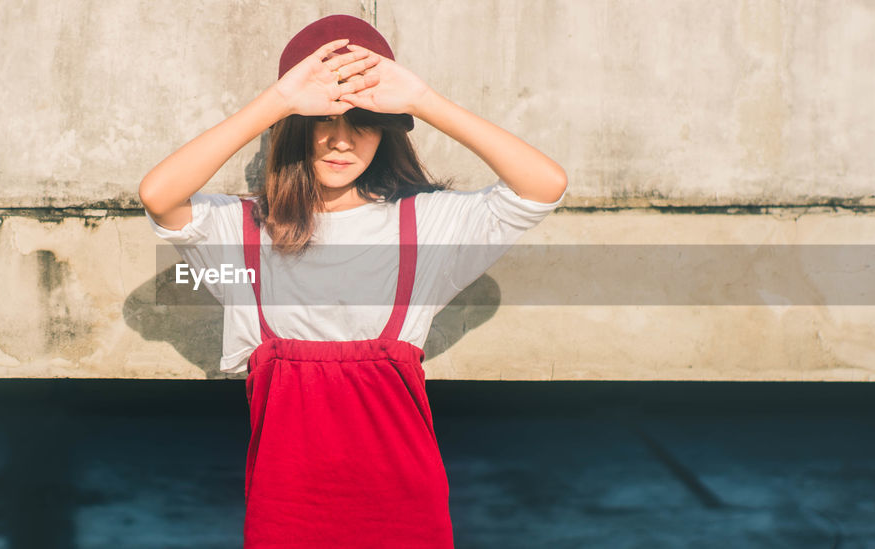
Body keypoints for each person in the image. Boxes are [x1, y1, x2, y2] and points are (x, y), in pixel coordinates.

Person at [140, 14, 567, 548]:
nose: (340, 142)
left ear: (386, 131)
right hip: (286, 510)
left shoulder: (424, 226)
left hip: (404, 507)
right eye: (323, 120)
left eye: (363, 121)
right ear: (294, 126)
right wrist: (277, 101)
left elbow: (544, 186)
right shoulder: (244, 233)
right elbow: (159, 195)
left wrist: (423, 100)